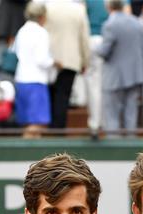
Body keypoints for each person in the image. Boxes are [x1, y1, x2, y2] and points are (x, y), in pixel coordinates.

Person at [99, 0, 143, 132]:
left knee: (112, 115)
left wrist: (95, 48)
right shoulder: (136, 22)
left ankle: (114, 150)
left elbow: (104, 51)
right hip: (135, 75)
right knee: (131, 114)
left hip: (115, 77)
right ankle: (131, 148)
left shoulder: (109, 24)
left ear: (108, 7)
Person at [44, 0, 91, 129]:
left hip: (50, 59)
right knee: (63, 97)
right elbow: (84, 38)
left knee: (51, 96)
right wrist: (85, 61)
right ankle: (58, 131)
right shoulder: (79, 9)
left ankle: (52, 130)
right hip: (71, 59)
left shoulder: (47, 7)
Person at [13, 1, 54, 137]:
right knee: (37, 125)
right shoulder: (41, 33)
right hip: (36, 82)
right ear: (42, 16)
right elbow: (42, 60)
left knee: (27, 124)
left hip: (21, 81)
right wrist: (54, 63)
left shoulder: (21, 31)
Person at [85, 0, 109, 135]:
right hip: (107, 40)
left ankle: (96, 123)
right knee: (103, 85)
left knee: (94, 84)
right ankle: (102, 123)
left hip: (94, 39)